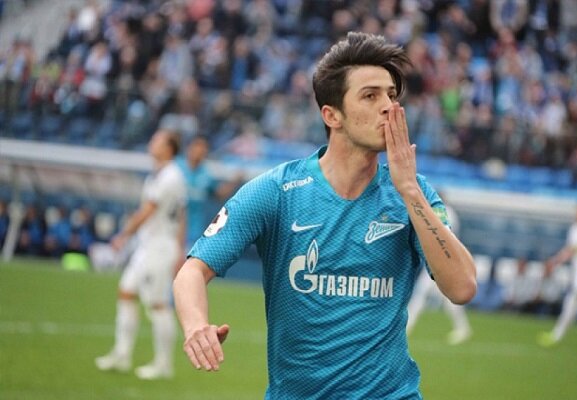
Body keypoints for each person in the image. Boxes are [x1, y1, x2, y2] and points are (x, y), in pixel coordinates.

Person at [173, 32, 477, 399]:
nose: (389, 107)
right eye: (370, 96)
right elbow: (191, 271)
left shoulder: (414, 192)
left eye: (392, 95)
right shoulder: (277, 191)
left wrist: (410, 191)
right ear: (332, 115)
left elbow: (462, 287)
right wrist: (195, 326)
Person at [95, 129, 186, 380]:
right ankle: (122, 354)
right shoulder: (159, 174)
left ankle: (163, 364)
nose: (152, 142)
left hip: (158, 247)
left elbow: (148, 210)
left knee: (158, 304)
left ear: (169, 148)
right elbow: (182, 213)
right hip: (148, 245)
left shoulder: (170, 176)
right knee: (126, 292)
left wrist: (123, 235)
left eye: (157, 140)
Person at [406, 194, 473, 345]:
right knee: (430, 296)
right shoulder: (447, 212)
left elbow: (440, 236)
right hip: (438, 260)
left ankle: (407, 328)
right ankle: (462, 328)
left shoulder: (444, 212)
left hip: (441, 261)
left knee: (423, 294)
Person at [537, 202, 577, 356]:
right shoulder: (574, 229)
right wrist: (556, 261)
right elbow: (571, 249)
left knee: (571, 301)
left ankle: (557, 335)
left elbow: (576, 249)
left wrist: (555, 261)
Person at [176, 135, 242, 251]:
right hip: (172, 229)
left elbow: (218, 194)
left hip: (193, 232)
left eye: (203, 148)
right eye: (197, 146)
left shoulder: (206, 175)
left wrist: (235, 181)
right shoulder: (176, 168)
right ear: (189, 148)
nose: (200, 151)